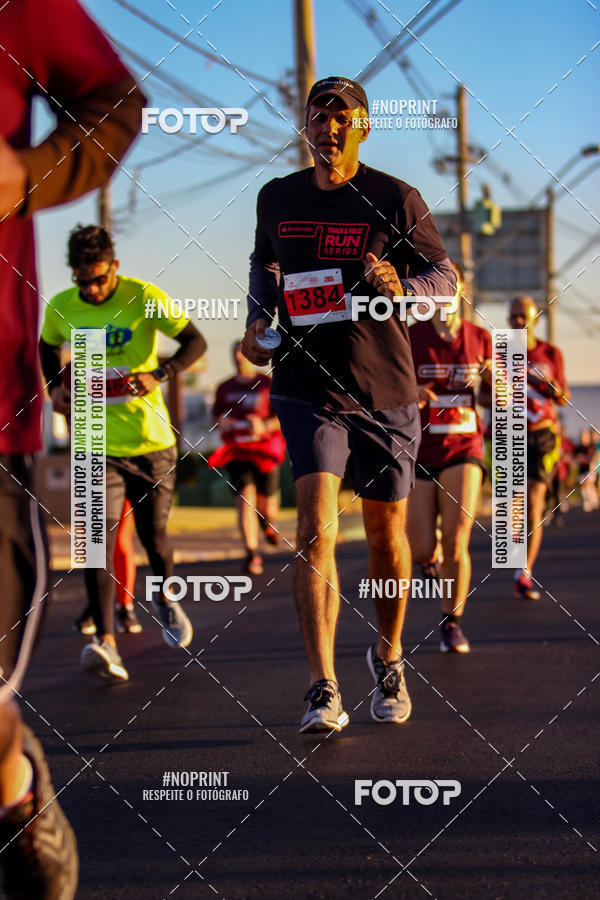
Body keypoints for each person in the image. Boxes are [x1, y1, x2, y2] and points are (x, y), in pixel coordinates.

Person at [242, 76, 455, 732]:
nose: (329, 128)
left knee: (387, 539)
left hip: (387, 389)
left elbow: (447, 280)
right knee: (313, 530)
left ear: (362, 127)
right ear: (306, 125)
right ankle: (322, 687)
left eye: (343, 118)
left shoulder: (395, 196)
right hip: (307, 385)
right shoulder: (277, 197)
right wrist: (257, 323)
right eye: (319, 116)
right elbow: (265, 268)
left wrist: (404, 282)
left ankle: (388, 656)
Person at [0, 0, 145, 895]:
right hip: (88, 445)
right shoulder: (64, 316)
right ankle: (104, 623)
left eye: (100, 271)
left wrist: (23, 172)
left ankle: (11, 780)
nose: (92, 280)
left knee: (135, 539)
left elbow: (112, 101)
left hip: (128, 441)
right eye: (86, 271)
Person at [39, 225, 207, 682]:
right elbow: (47, 343)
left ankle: (165, 597)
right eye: (82, 280)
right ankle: (105, 642)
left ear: (114, 267)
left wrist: (162, 373)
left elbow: (196, 341)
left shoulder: (142, 296)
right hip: (95, 441)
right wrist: (55, 387)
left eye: (98, 279)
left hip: (150, 443)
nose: (90, 290)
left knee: (154, 539)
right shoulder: (63, 306)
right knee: (93, 542)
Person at [407, 261, 492, 653]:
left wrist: (493, 385)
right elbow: (387, 389)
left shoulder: (481, 339)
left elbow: (501, 403)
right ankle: (430, 557)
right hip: (421, 450)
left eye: (451, 287)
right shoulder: (411, 337)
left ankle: (451, 621)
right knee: (422, 548)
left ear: (461, 291)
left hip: (464, 448)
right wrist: (414, 392)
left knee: (457, 539)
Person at [507, 296, 570, 599]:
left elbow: (563, 396)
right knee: (514, 507)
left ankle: (525, 571)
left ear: (534, 319)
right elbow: (481, 397)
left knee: (534, 502)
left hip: (543, 436)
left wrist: (549, 387)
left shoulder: (550, 353)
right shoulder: (500, 352)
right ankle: (517, 548)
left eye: (523, 316)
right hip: (510, 434)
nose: (518, 322)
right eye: (513, 317)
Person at [210, 340, 284, 575]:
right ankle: (252, 553)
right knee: (244, 500)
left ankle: (266, 524)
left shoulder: (267, 384)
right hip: (238, 451)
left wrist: (263, 425)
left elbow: (282, 418)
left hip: (265, 452)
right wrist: (222, 423)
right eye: (236, 355)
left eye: (243, 354)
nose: (239, 359)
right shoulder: (224, 387)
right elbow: (215, 417)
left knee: (267, 506)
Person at [75, 498, 142, 634]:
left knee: (121, 539)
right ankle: (97, 606)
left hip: (122, 480)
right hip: (92, 479)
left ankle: (124, 606)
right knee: (94, 540)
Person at [574, 428, 599, 512]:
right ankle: (588, 500)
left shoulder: (591, 447)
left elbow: (595, 458)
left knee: (588, 483)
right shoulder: (578, 447)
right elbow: (576, 458)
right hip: (581, 469)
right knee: (584, 486)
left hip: (590, 469)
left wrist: (586, 459)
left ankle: (593, 500)